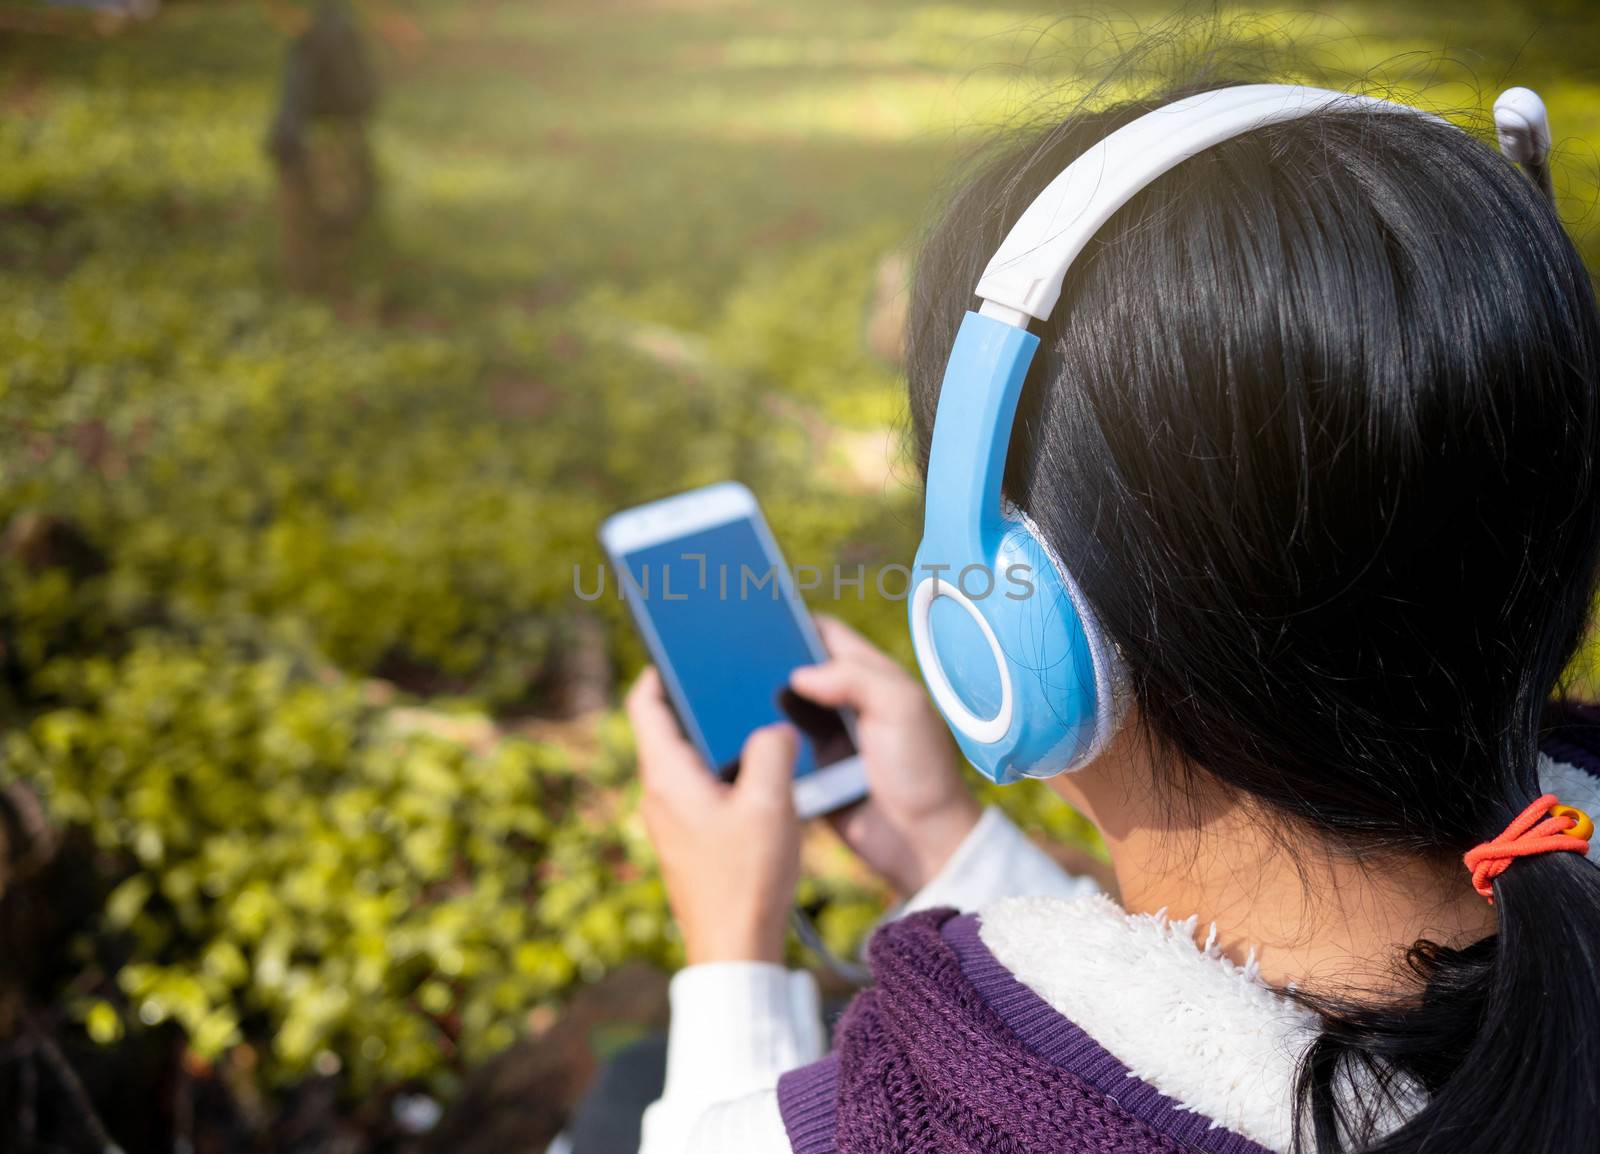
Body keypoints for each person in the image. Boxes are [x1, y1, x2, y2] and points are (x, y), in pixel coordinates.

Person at [623, 75, 1600, 1154]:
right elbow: (1179, 1041)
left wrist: (729, 957)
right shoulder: (1561, 864)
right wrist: (946, 843)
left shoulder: (880, 1126)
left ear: (1010, 625)